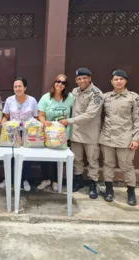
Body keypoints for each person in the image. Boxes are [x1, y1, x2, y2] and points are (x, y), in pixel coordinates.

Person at [59, 68, 104, 199]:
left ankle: (92, 185)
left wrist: (68, 121)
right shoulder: (75, 91)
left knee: (92, 161)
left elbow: (90, 115)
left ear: (90, 78)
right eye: (79, 78)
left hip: (90, 134)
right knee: (77, 160)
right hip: (76, 133)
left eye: (84, 78)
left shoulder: (96, 94)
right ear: (76, 80)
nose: (82, 80)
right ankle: (78, 182)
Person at [99, 70, 139, 206]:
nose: (118, 81)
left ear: (126, 81)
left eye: (121, 79)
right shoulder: (105, 97)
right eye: (116, 79)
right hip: (107, 136)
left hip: (125, 138)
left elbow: (137, 119)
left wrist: (136, 138)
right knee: (108, 164)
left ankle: (131, 193)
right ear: (111, 82)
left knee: (127, 166)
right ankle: (109, 190)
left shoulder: (133, 98)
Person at [0, 77, 38, 191]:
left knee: (25, 158)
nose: (17, 88)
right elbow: (5, 117)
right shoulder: (9, 100)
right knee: (11, 158)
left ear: (25, 87)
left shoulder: (32, 101)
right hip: (12, 134)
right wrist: (2, 127)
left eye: (20, 86)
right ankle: (8, 179)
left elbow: (35, 118)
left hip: (28, 135)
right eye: (15, 86)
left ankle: (25, 180)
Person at [38, 74, 74, 191]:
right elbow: (40, 115)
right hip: (48, 135)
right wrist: (44, 122)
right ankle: (46, 179)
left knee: (58, 159)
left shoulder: (70, 98)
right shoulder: (46, 98)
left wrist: (68, 121)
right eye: (58, 81)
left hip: (62, 136)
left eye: (63, 83)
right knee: (44, 158)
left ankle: (56, 180)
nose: (60, 84)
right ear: (54, 83)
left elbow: (74, 114)